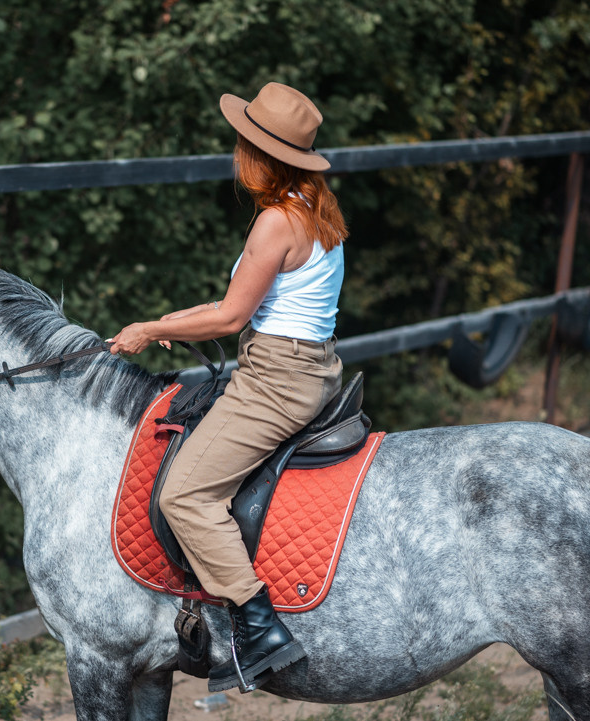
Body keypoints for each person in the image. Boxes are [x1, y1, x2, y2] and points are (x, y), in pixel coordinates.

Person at [107, 82, 348, 692]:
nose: (238, 153)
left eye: (244, 144)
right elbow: (241, 305)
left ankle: (257, 624)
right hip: (303, 366)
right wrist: (171, 323)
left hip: (275, 380)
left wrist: (148, 329)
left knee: (183, 494)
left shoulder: (275, 221)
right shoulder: (313, 208)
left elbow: (232, 318)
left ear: (261, 155)